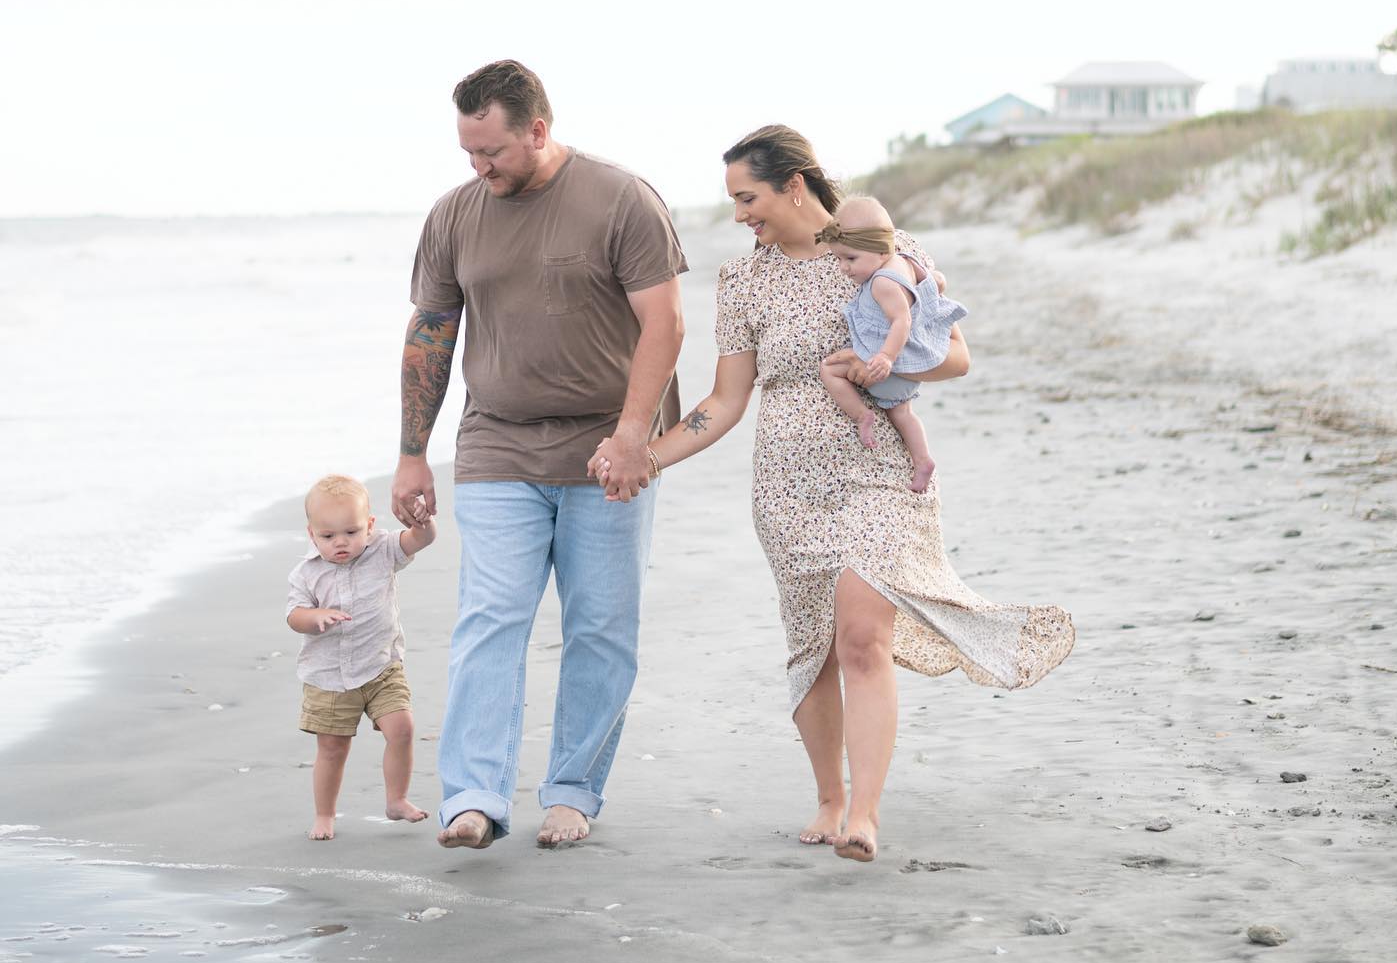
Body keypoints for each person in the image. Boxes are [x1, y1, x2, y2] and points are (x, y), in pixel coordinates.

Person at [591, 125, 1074, 865]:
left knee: (860, 636)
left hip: (880, 471)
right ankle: (828, 798)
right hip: (787, 486)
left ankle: (866, 815)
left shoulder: (886, 247)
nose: (739, 214)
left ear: (793, 184)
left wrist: (883, 367)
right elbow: (725, 400)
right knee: (813, 645)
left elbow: (957, 355)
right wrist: (647, 457)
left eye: (747, 196)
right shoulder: (743, 281)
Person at [392, 59, 686, 852]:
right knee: (490, 620)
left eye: (492, 152)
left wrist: (632, 437)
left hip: (607, 453)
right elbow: (431, 332)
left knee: (599, 628)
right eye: (468, 153)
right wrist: (412, 454)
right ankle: (475, 797)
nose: (479, 167)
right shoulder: (456, 215)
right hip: (496, 446)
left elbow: (664, 324)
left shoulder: (622, 199)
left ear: (538, 130)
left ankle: (572, 791)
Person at [285, 473, 437, 841]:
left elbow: (421, 540)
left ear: (369, 526)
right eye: (328, 536)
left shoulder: (383, 549)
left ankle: (396, 799)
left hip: (382, 666)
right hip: (329, 676)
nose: (341, 543)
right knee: (333, 748)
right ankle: (324, 814)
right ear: (312, 534)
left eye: (351, 532)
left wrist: (423, 521)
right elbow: (294, 617)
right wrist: (315, 617)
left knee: (402, 728)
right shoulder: (306, 574)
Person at [816, 193, 968, 493]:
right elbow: (936, 282)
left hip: (890, 362)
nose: (843, 269)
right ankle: (922, 459)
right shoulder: (908, 262)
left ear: (879, 250)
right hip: (914, 361)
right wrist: (936, 282)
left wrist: (886, 356)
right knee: (903, 413)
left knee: (829, 369)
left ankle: (862, 415)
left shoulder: (883, 283)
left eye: (850, 259)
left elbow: (902, 321)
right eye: (838, 259)